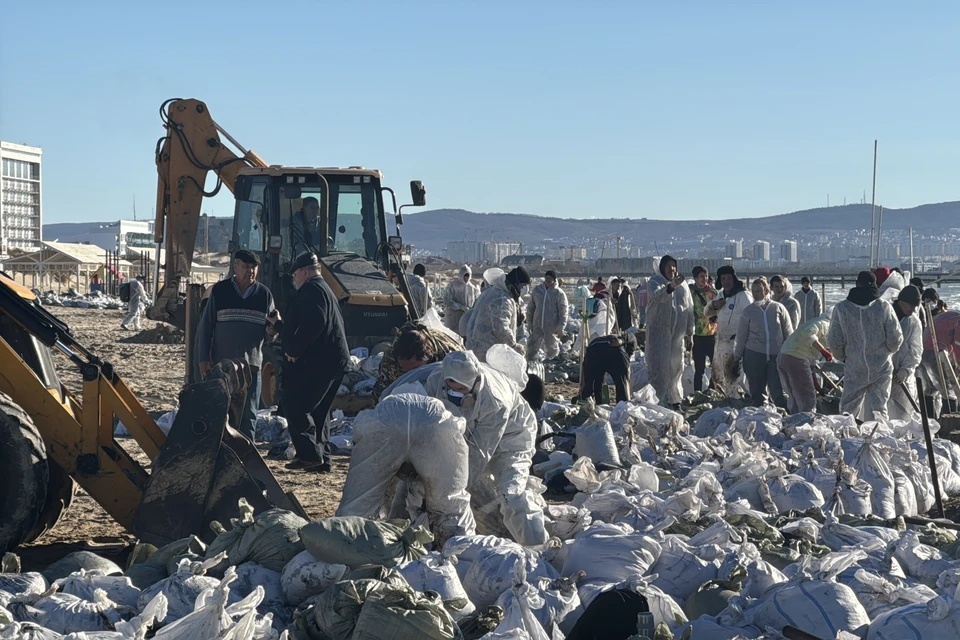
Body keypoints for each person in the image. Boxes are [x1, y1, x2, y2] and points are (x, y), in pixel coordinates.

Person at [425, 351, 548, 545]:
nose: (456, 393)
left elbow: (480, 454)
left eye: (462, 389)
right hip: (469, 433)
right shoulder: (435, 381)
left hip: (511, 440)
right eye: (452, 387)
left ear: (475, 383)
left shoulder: (495, 400)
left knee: (511, 494)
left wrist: (453, 493)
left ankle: (537, 547)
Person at [336, 394, 476, 546]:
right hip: (437, 425)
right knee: (450, 506)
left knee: (358, 507)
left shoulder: (390, 402)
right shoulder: (437, 409)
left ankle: (349, 549)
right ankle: (460, 554)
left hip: (385, 424)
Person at [267, 252, 350, 472]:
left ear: (304, 271)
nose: (294, 280)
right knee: (319, 413)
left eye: (295, 275)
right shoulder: (325, 289)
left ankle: (309, 455)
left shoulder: (312, 290)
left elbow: (314, 323)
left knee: (295, 406)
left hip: (320, 363)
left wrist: (293, 348)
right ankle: (323, 460)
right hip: (334, 362)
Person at [196, 250, 276, 440]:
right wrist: (203, 359)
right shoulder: (220, 291)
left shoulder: (264, 295)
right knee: (220, 412)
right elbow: (206, 328)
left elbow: (270, 332)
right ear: (235, 267)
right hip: (222, 365)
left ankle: (246, 457)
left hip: (251, 368)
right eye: (245, 267)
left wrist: (272, 331)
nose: (250, 271)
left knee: (249, 415)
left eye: (253, 268)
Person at [827, 270, 903, 421]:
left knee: (848, 410)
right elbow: (895, 338)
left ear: (856, 285)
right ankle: (879, 439)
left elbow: (835, 341)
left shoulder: (842, 309)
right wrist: (887, 351)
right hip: (881, 366)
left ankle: (846, 439)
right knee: (879, 410)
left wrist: (845, 357)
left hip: (855, 366)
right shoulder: (883, 307)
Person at [735, 277, 794, 408]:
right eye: (753, 291)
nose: (755, 294)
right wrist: (737, 357)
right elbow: (741, 336)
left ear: (767, 290)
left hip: (775, 356)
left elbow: (788, 333)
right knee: (757, 393)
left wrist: (789, 354)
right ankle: (760, 419)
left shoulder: (779, 309)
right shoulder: (748, 311)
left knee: (777, 391)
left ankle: (782, 415)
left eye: (758, 291)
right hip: (754, 355)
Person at [645, 255, 694, 409]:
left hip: (676, 338)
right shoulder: (654, 282)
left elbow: (689, 308)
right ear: (661, 268)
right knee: (659, 371)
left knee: (675, 370)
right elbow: (657, 296)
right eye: (668, 266)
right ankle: (659, 402)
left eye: (674, 266)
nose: (671, 269)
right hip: (659, 336)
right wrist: (671, 286)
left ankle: (675, 401)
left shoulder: (683, 286)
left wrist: (689, 333)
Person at [373, 322, 463, 400]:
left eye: (414, 369)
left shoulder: (451, 356)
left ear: (428, 358)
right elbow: (381, 392)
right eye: (405, 369)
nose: (411, 374)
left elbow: (467, 382)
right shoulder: (391, 359)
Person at [704, 265, 753, 398]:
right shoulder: (720, 295)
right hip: (720, 342)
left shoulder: (743, 295)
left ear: (734, 279)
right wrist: (714, 305)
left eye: (729, 278)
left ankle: (734, 404)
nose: (726, 281)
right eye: (723, 278)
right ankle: (721, 405)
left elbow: (751, 317)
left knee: (733, 379)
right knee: (717, 378)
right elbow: (706, 312)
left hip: (735, 343)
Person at [465, 267, 531, 362]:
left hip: (477, 347)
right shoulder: (502, 299)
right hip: (489, 351)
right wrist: (513, 345)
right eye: (523, 285)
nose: (524, 289)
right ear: (516, 283)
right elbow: (501, 328)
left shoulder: (491, 292)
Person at [777, 317, 832, 414]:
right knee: (807, 397)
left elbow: (811, 367)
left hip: (783, 357)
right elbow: (809, 334)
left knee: (794, 395)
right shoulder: (824, 324)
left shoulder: (813, 322)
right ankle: (806, 422)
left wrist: (818, 387)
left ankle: (794, 420)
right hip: (797, 358)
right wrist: (824, 351)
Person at [887, 285, 924, 420]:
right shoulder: (885, 314)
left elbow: (916, 350)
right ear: (902, 301)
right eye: (911, 305)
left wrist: (906, 370)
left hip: (902, 378)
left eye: (916, 306)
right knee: (880, 413)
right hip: (882, 374)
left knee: (904, 415)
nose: (914, 309)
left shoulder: (913, 322)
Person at [919, 309, 960, 418]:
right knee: (949, 388)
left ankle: (930, 422)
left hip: (924, 348)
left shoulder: (953, 316)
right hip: (934, 350)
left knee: (930, 388)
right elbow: (958, 347)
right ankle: (951, 421)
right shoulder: (958, 321)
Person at [580, 333, 637, 405]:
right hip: (615, 354)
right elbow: (632, 336)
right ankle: (622, 407)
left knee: (593, 383)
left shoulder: (602, 339)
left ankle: (592, 404)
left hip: (594, 350)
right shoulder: (626, 344)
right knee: (622, 384)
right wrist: (621, 341)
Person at [526, 270, 568, 361]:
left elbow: (563, 311)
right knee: (532, 346)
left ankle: (552, 366)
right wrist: (529, 322)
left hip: (551, 326)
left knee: (551, 348)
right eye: (547, 278)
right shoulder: (537, 290)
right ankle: (530, 365)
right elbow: (531, 307)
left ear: (554, 280)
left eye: (550, 278)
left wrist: (561, 326)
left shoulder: (558, 293)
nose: (548, 280)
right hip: (537, 324)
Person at [689, 266, 717, 393]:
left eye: (706, 276)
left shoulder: (713, 293)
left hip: (712, 334)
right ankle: (697, 393)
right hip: (697, 335)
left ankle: (712, 390)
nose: (704, 279)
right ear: (695, 278)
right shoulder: (690, 293)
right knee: (699, 369)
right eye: (701, 276)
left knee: (715, 367)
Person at [443, 265, 480, 335]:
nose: (466, 278)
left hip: (467, 318)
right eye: (464, 276)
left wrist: (471, 310)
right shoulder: (452, 285)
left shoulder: (473, 288)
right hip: (453, 318)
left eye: (467, 276)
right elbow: (447, 300)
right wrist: (460, 307)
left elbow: (478, 300)